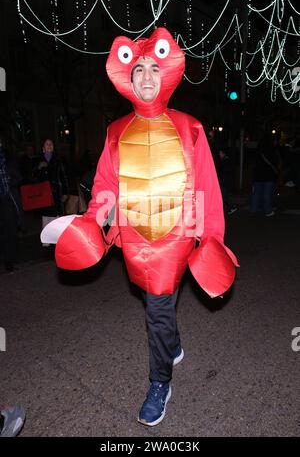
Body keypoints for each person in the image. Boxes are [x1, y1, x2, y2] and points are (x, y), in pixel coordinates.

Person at [42, 28, 238, 426]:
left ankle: (159, 381)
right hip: (136, 241)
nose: (147, 77)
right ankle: (173, 345)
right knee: (159, 305)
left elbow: (208, 189)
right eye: (139, 70)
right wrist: (93, 224)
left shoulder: (192, 127)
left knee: (157, 309)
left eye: (153, 68)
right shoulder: (115, 132)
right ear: (128, 78)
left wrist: (210, 237)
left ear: (165, 74)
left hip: (178, 238)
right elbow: (105, 188)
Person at [34, 139, 69, 233]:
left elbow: (64, 176)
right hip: (44, 194)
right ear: (43, 148)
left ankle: (58, 237)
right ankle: (47, 237)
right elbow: (32, 178)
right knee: (46, 216)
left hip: (57, 192)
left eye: (51, 144)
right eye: (47, 144)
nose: (49, 146)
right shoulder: (38, 161)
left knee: (58, 215)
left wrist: (65, 192)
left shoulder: (59, 160)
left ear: (53, 148)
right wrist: (38, 168)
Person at [0, 141, 23, 272]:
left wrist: (10, 181)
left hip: (8, 199)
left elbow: (19, 177)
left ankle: (9, 260)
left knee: (10, 230)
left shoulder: (8, 159)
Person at [251, 133, 280, 217]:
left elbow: (254, 162)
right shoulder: (272, 149)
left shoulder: (258, 150)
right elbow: (275, 162)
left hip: (258, 174)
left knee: (257, 193)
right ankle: (268, 211)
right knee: (267, 193)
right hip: (269, 175)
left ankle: (254, 208)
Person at [216, 147, 237, 215]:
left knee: (224, 196)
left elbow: (224, 172)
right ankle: (230, 207)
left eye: (220, 153)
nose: (219, 154)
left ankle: (232, 207)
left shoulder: (225, 161)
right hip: (225, 181)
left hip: (224, 181)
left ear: (223, 153)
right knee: (224, 196)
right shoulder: (225, 160)